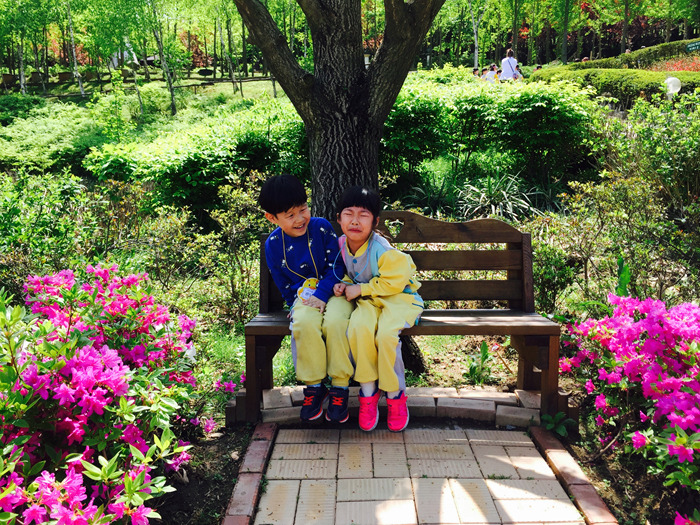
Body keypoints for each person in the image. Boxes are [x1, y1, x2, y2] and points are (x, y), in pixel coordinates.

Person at [258, 174, 355, 423]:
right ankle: (314, 386)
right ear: (272, 218)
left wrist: (322, 294)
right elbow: (282, 281)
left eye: (303, 209)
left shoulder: (321, 227)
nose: (300, 219)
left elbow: (337, 266)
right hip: (305, 297)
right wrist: (294, 303)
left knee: (336, 322)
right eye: (290, 215)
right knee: (303, 323)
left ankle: (340, 386)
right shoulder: (273, 244)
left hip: (335, 290)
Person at [332, 186, 424, 432]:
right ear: (339, 218)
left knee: (385, 336)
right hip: (370, 300)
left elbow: (395, 282)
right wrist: (344, 285)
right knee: (358, 328)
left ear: (375, 222)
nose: (355, 221)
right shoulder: (341, 245)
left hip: (398, 299)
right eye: (348, 214)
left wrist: (360, 289)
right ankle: (368, 392)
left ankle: (395, 395)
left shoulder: (381, 249)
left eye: (363, 215)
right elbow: (349, 273)